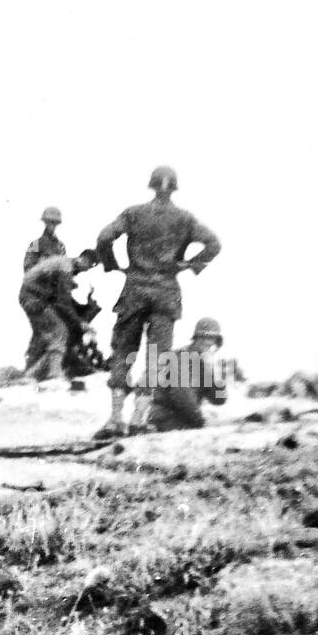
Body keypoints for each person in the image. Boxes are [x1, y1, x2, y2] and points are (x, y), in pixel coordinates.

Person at [94, 166, 221, 439]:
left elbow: (104, 237)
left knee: (123, 351)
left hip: (134, 289)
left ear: (151, 186)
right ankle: (138, 419)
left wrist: (113, 265)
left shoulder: (133, 213)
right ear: (174, 188)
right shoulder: (185, 219)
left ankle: (116, 419)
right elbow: (214, 243)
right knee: (157, 357)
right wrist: (189, 265)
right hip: (166, 291)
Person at [19, 249, 99, 381]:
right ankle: (54, 374)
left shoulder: (63, 264)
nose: (86, 270)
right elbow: (63, 301)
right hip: (32, 297)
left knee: (55, 334)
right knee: (59, 331)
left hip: (33, 295)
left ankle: (32, 374)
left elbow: (61, 299)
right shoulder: (66, 268)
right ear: (83, 259)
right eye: (89, 266)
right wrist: (80, 323)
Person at [143, 316, 229, 432]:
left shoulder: (203, 362)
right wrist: (201, 422)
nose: (208, 342)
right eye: (204, 337)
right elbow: (182, 395)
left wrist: (215, 373)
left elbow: (219, 399)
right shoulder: (181, 358)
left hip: (184, 419)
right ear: (196, 338)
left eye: (212, 339)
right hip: (166, 419)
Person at [23, 207, 66, 272]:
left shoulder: (60, 246)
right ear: (46, 222)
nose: (52, 225)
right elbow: (27, 267)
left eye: (55, 223)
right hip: (40, 279)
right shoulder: (35, 244)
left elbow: (65, 267)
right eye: (50, 222)